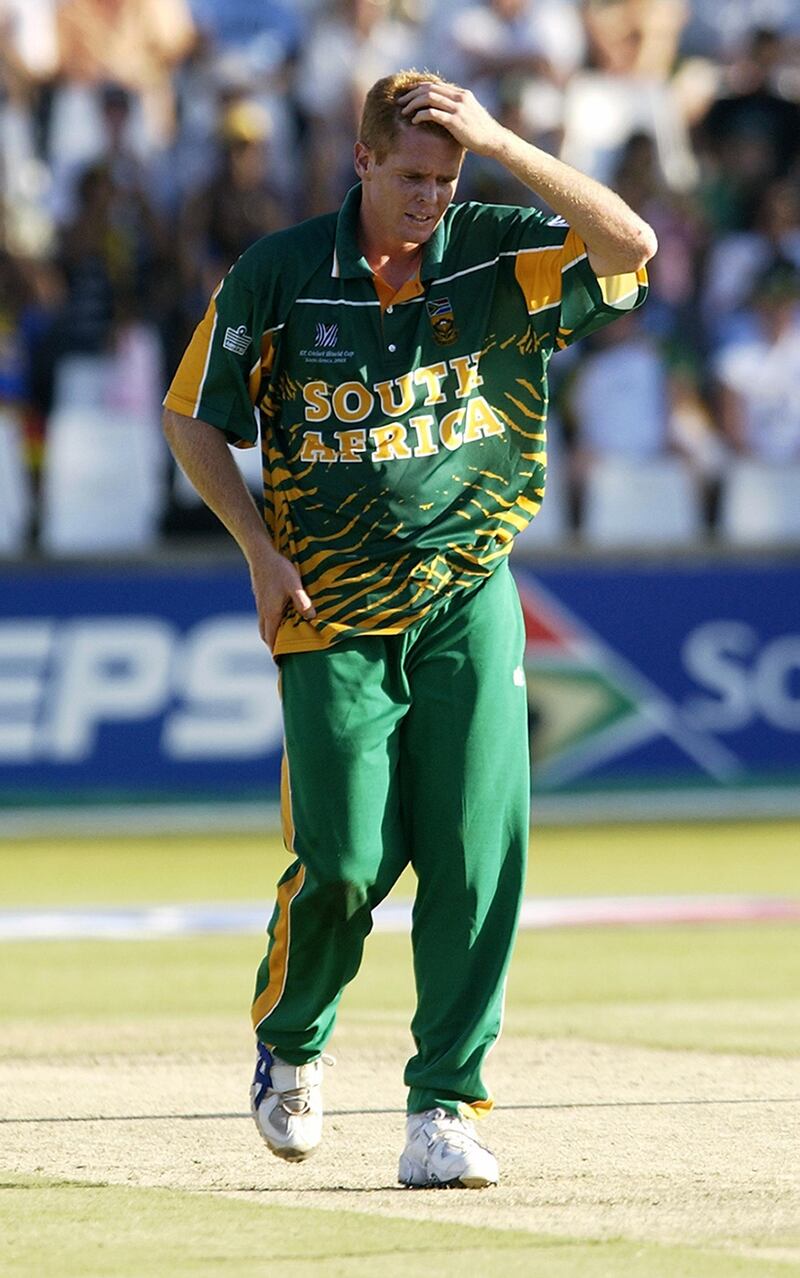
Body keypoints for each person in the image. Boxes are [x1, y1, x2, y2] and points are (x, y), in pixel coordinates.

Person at [162, 70, 656, 1189]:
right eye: (415, 176)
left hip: (467, 591)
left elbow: (629, 248)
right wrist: (256, 549)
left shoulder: (497, 244)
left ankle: (444, 1105)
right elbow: (193, 413)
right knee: (340, 863)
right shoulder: (282, 273)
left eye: (449, 176)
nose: (433, 197)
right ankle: (290, 1045)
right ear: (362, 162)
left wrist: (495, 137)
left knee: (476, 860)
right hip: (324, 605)